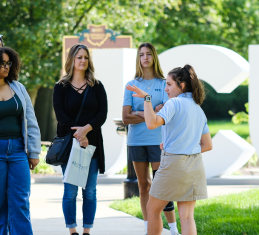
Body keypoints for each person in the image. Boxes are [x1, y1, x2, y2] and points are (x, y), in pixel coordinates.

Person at [126, 65, 213, 235]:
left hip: (173, 163)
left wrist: (147, 99)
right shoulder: (198, 109)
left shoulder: (173, 103)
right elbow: (207, 145)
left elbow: (152, 124)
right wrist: (181, 145)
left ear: (182, 86)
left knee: (152, 209)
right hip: (195, 165)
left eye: (169, 84)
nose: (165, 89)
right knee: (187, 217)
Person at [0, 47, 41, 235]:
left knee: (21, 201)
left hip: (19, 150)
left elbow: (31, 120)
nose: (6, 67)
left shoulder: (17, 87)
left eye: (8, 63)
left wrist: (34, 152)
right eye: (1, 64)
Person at [122, 43, 179, 235]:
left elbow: (165, 112)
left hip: (157, 141)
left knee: (161, 184)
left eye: (148, 54)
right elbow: (125, 117)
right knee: (143, 185)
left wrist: (143, 114)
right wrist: (146, 113)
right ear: (138, 59)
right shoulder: (131, 85)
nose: (145, 58)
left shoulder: (164, 84)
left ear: (154, 57)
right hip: (136, 141)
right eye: (141, 55)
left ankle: (173, 229)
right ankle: (148, 228)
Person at [53, 44, 108, 235]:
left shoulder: (97, 86)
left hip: (91, 145)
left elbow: (102, 113)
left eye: (85, 57)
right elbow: (60, 115)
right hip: (70, 145)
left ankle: (87, 231)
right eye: (79, 57)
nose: (83, 60)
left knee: (90, 192)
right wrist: (79, 135)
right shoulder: (60, 87)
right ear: (71, 61)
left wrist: (87, 130)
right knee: (70, 192)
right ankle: (72, 230)